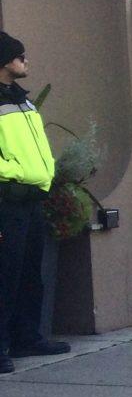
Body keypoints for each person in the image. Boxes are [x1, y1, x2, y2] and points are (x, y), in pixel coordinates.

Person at [0, 32, 70, 373]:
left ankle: (27, 336)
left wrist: (44, 173)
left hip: (31, 198)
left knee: (30, 271)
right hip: (6, 199)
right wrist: (13, 172)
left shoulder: (23, 100)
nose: (26, 61)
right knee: (5, 273)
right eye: (20, 56)